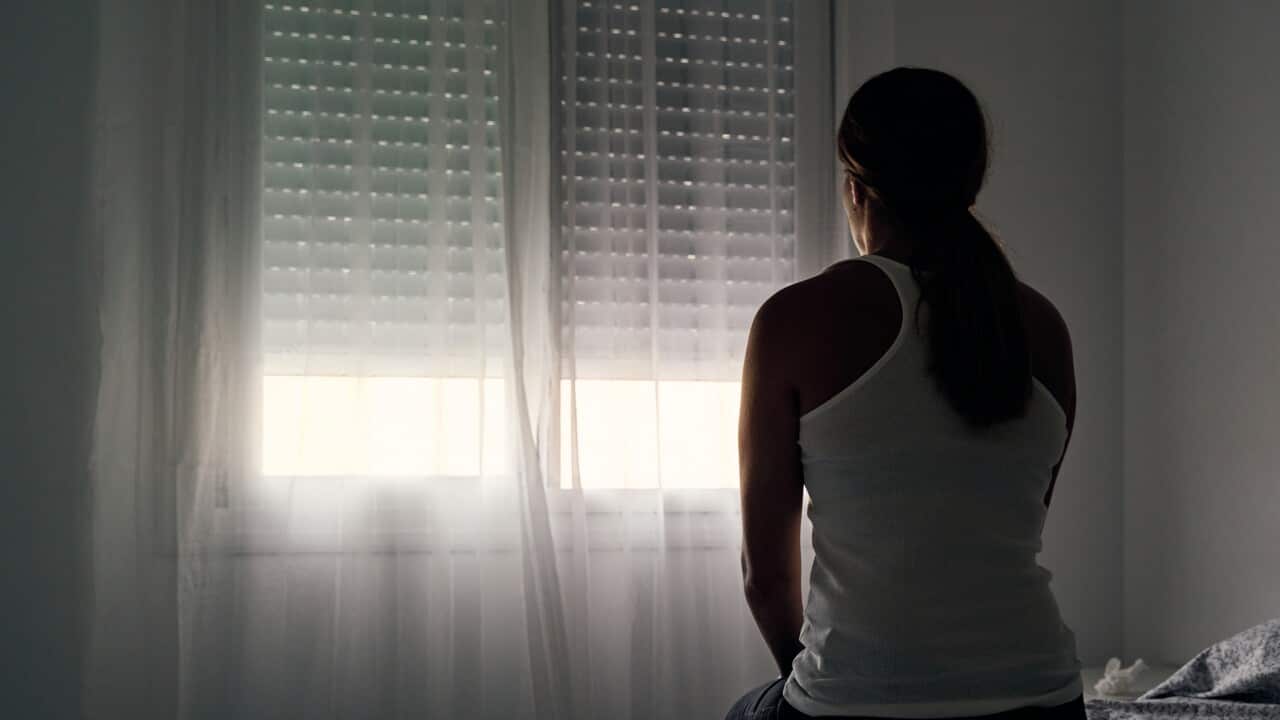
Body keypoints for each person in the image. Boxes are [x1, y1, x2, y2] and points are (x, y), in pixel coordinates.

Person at [727, 67, 1086, 720]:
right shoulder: (1043, 327)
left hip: (855, 703)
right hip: (1045, 697)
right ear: (970, 183)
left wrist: (814, 682)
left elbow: (765, 575)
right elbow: (1006, 526)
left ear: (855, 189)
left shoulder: (793, 320)